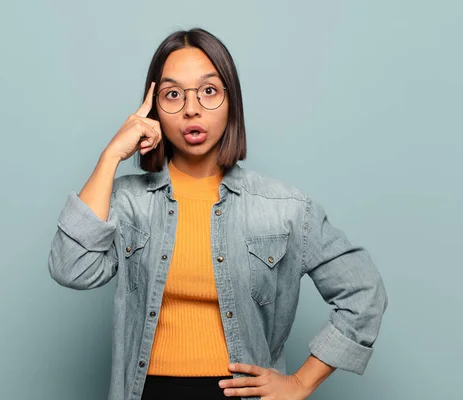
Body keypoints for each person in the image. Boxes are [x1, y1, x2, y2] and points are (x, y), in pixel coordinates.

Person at [48, 27, 388, 400]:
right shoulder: (129, 202)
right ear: (154, 107)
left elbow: (363, 291)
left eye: (208, 91)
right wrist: (111, 156)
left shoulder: (284, 209)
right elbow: (71, 267)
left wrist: (300, 382)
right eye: (173, 94)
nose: (191, 108)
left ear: (231, 102)